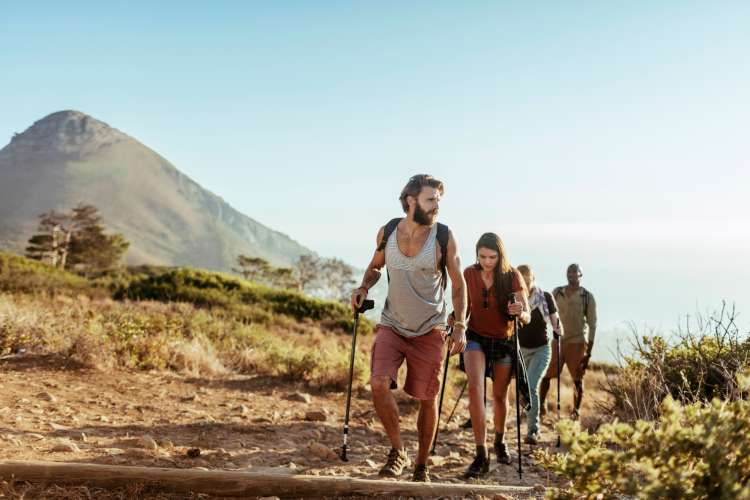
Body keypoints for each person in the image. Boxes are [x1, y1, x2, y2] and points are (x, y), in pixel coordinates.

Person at [351, 174, 467, 483]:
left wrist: (461, 325)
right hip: (392, 324)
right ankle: (398, 451)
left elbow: (458, 284)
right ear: (410, 201)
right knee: (378, 383)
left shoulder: (443, 237)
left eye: (438, 201)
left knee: (426, 398)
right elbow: (375, 266)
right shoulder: (388, 231)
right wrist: (363, 287)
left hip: (430, 329)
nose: (436, 206)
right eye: (431, 200)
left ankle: (422, 464)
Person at [458, 232, 529, 479]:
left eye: (492, 257)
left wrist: (520, 312)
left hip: (504, 341)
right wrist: (455, 321)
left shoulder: (512, 276)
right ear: (476, 254)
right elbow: (462, 307)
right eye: (482, 256)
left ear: (501, 255)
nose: (487, 262)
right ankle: (481, 453)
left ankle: (499, 440)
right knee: (476, 388)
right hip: (475, 337)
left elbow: (527, 315)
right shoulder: (468, 274)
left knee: (500, 396)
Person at [539, 263, 597, 420]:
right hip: (557, 341)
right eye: (569, 272)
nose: (571, 274)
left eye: (575, 272)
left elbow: (592, 324)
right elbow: (545, 313)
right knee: (546, 375)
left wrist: (588, 352)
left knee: (577, 379)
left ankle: (575, 412)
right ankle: (541, 407)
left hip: (577, 343)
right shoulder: (557, 293)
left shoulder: (587, 297)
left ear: (580, 275)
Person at [516, 265, 563, 444]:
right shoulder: (515, 297)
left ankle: (533, 431)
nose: (526, 284)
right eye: (523, 280)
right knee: (523, 392)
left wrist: (558, 331)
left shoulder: (545, 297)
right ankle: (530, 413)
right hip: (521, 351)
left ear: (533, 279)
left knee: (531, 387)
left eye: (529, 280)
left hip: (542, 350)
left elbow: (554, 318)